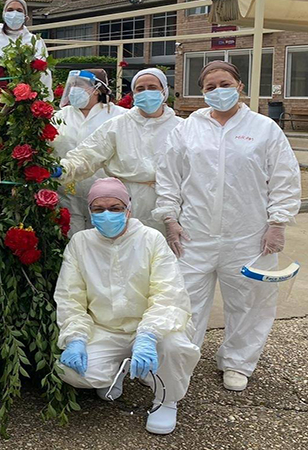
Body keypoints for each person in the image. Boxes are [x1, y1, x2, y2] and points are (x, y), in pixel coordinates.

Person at [153, 60, 301, 392]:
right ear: (202, 92)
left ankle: (238, 361)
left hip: (248, 235)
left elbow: (284, 178)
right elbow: (169, 177)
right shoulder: (187, 129)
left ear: (240, 86)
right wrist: (170, 218)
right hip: (193, 233)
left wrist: (278, 223)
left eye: (225, 84)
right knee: (183, 300)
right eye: (210, 87)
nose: (218, 91)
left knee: (250, 302)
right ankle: (179, 363)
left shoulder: (264, 129)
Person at [54, 178, 200, 435]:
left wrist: (148, 334)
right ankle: (116, 370)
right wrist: (75, 336)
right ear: (90, 211)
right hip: (105, 328)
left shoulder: (150, 239)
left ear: (128, 209)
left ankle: (166, 400)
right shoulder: (81, 243)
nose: (107, 214)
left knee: (174, 346)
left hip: (150, 327)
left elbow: (168, 294)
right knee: (72, 370)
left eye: (115, 207)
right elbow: (70, 297)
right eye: (98, 209)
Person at [58, 68, 182, 234]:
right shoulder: (118, 124)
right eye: (140, 89)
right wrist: (65, 168)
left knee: (157, 253)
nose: (146, 93)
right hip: (122, 202)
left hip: (164, 203)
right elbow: (89, 154)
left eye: (152, 88)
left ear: (165, 91)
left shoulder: (180, 127)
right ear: (133, 93)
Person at [51, 69, 126, 234]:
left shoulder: (119, 116)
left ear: (98, 89)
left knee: (104, 241)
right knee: (73, 243)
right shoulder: (59, 116)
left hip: (106, 197)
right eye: (72, 85)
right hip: (67, 194)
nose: (74, 90)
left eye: (80, 86)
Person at [0, 0, 52, 89]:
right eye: (10, 10)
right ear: (4, 15)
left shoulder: (36, 41)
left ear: (25, 17)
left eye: (19, 11)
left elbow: (44, 73)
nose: (14, 14)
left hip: (28, 97)